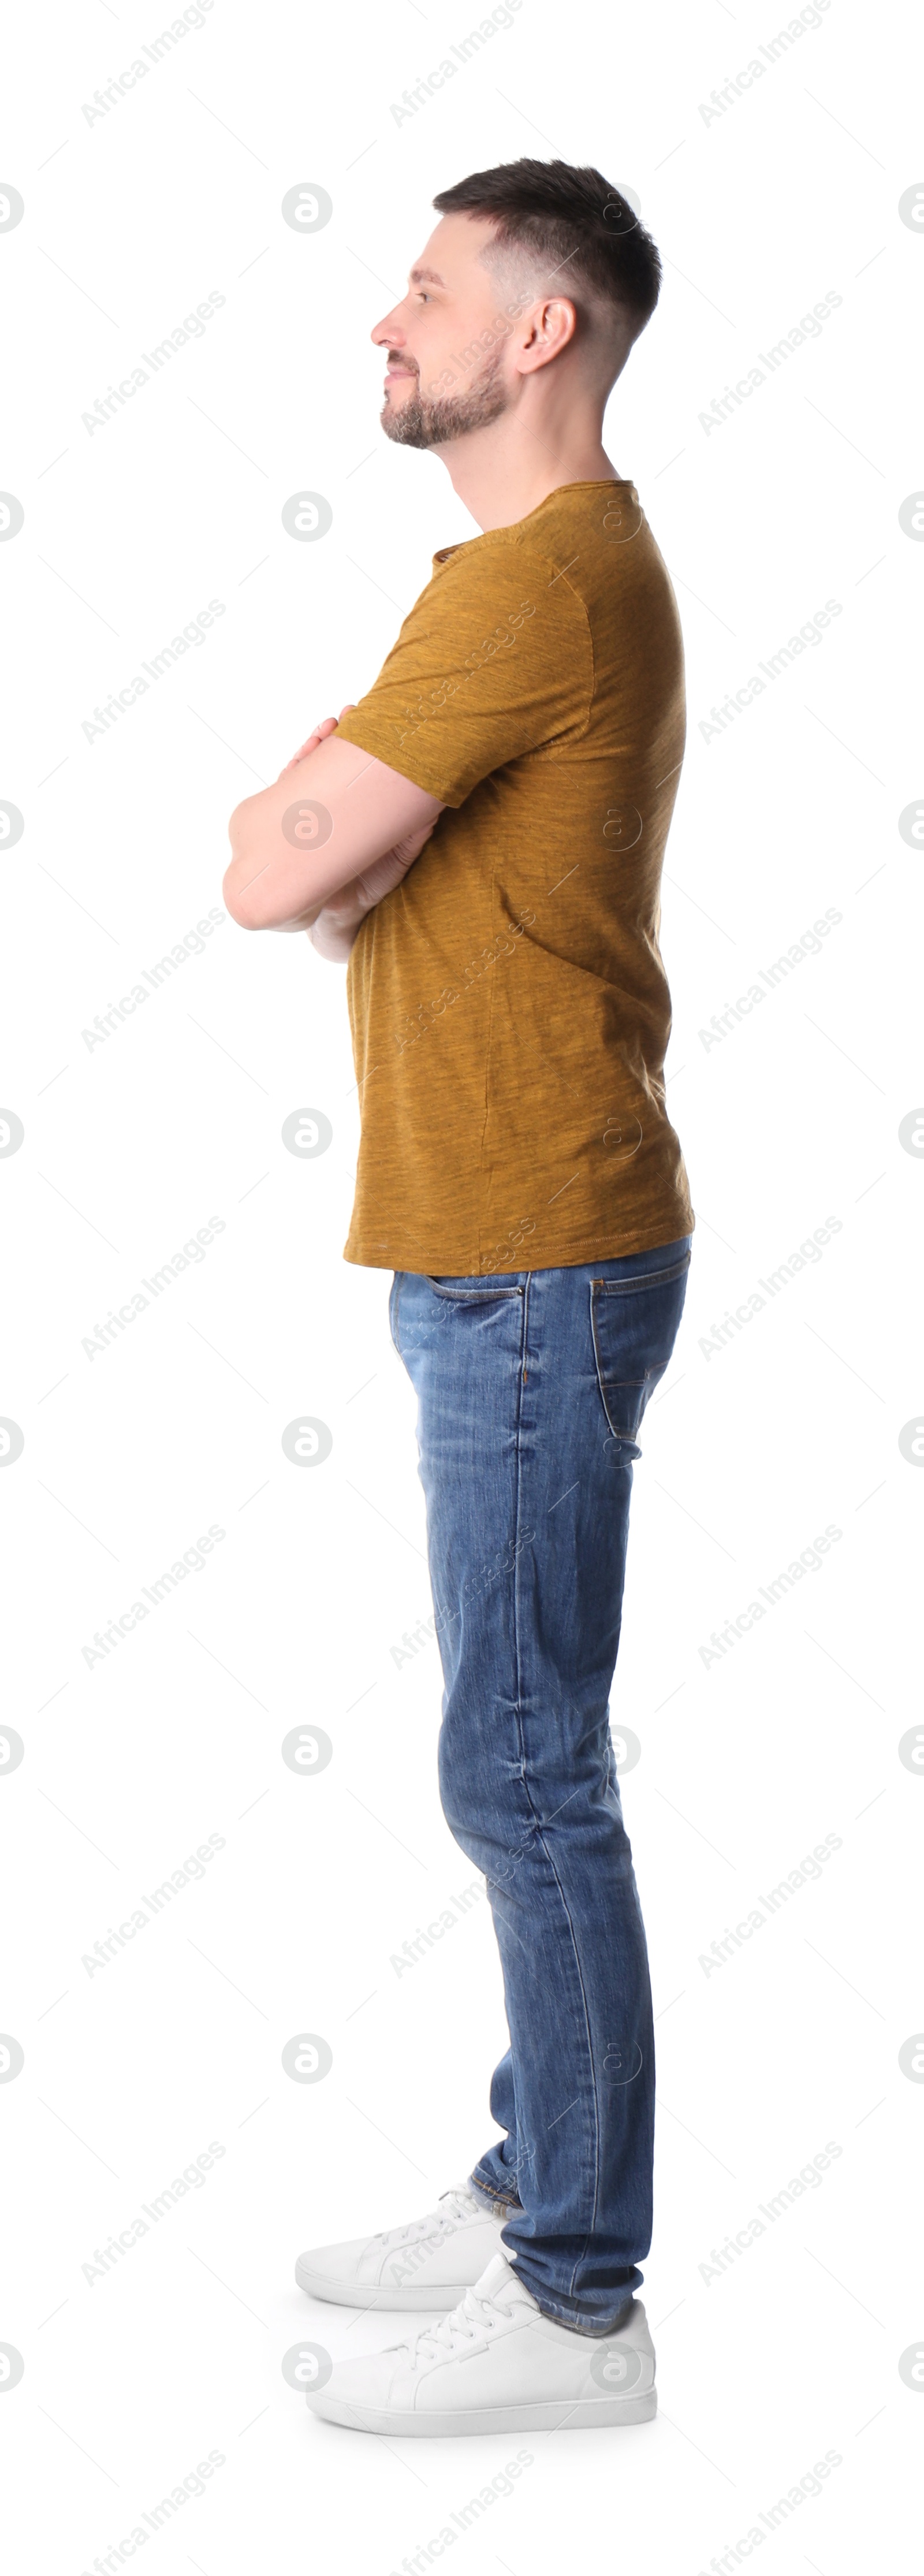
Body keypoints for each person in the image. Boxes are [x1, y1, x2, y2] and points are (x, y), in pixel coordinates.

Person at [223, 157, 695, 2436]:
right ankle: (536, 2185)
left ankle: (579, 2303)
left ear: (543, 330)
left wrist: (324, 832)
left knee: (522, 1769)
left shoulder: (533, 588)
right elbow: (316, 857)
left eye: (422, 289)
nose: (380, 323)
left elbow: (264, 865)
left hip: (531, 1248)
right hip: (507, 1238)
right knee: (524, 1753)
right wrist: (334, 839)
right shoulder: (527, 584)